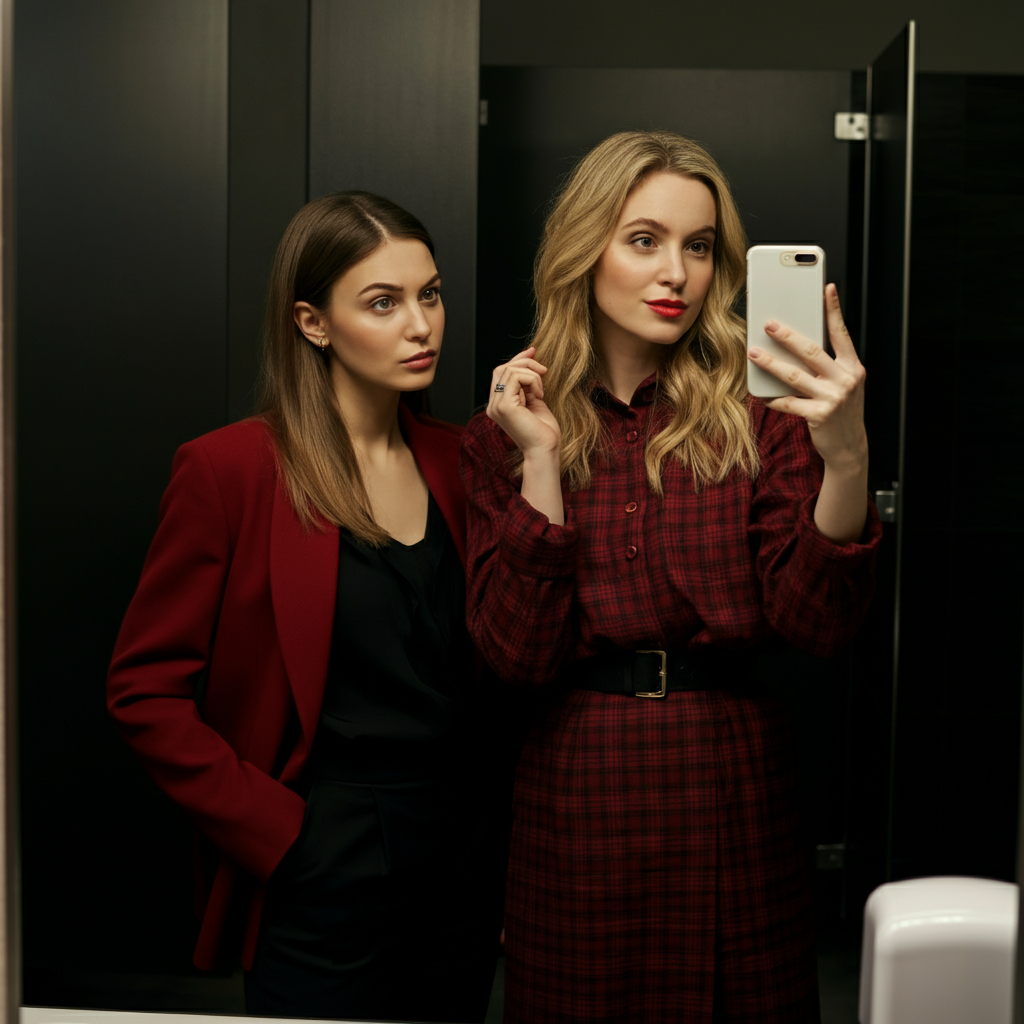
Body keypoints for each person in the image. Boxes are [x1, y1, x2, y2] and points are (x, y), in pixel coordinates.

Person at [460, 131, 882, 1023]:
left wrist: (845, 460)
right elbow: (517, 658)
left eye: (699, 247)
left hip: (730, 778)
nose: (677, 274)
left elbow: (817, 626)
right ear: (586, 249)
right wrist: (540, 463)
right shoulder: (509, 426)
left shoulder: (763, 414)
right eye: (645, 240)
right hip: (578, 783)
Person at [107, 191, 500, 1022]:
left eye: (430, 295)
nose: (421, 325)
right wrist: (279, 835)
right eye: (383, 302)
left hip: (457, 858)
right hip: (323, 856)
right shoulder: (231, 472)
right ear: (312, 323)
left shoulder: (464, 458)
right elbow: (143, 691)